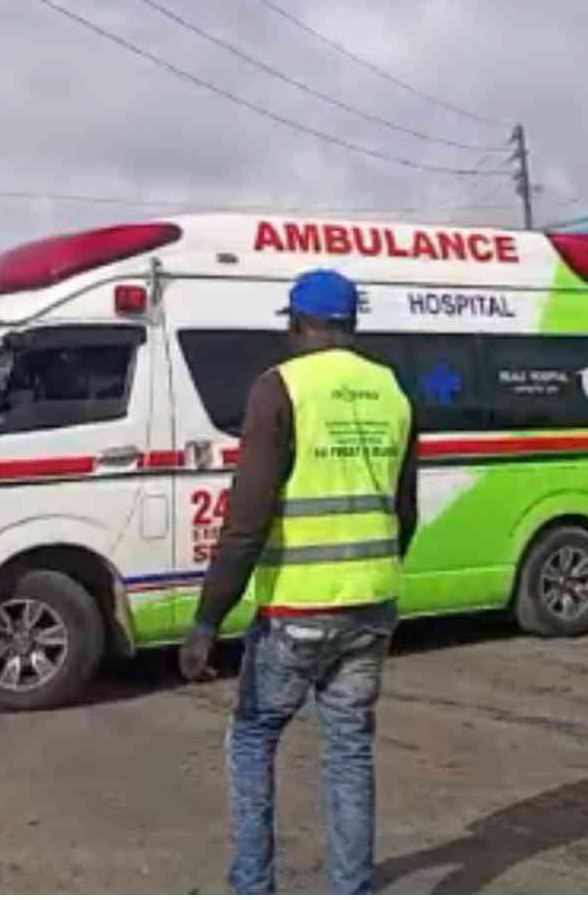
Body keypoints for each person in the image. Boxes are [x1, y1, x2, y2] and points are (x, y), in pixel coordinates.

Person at [178, 269, 417, 894]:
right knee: (349, 751)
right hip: (372, 605)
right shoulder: (391, 389)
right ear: (350, 323)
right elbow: (405, 509)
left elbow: (247, 518)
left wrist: (207, 620)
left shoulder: (279, 388)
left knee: (254, 737)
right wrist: (375, 576)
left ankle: (253, 886)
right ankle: (352, 887)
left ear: (298, 323)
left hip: (296, 609)